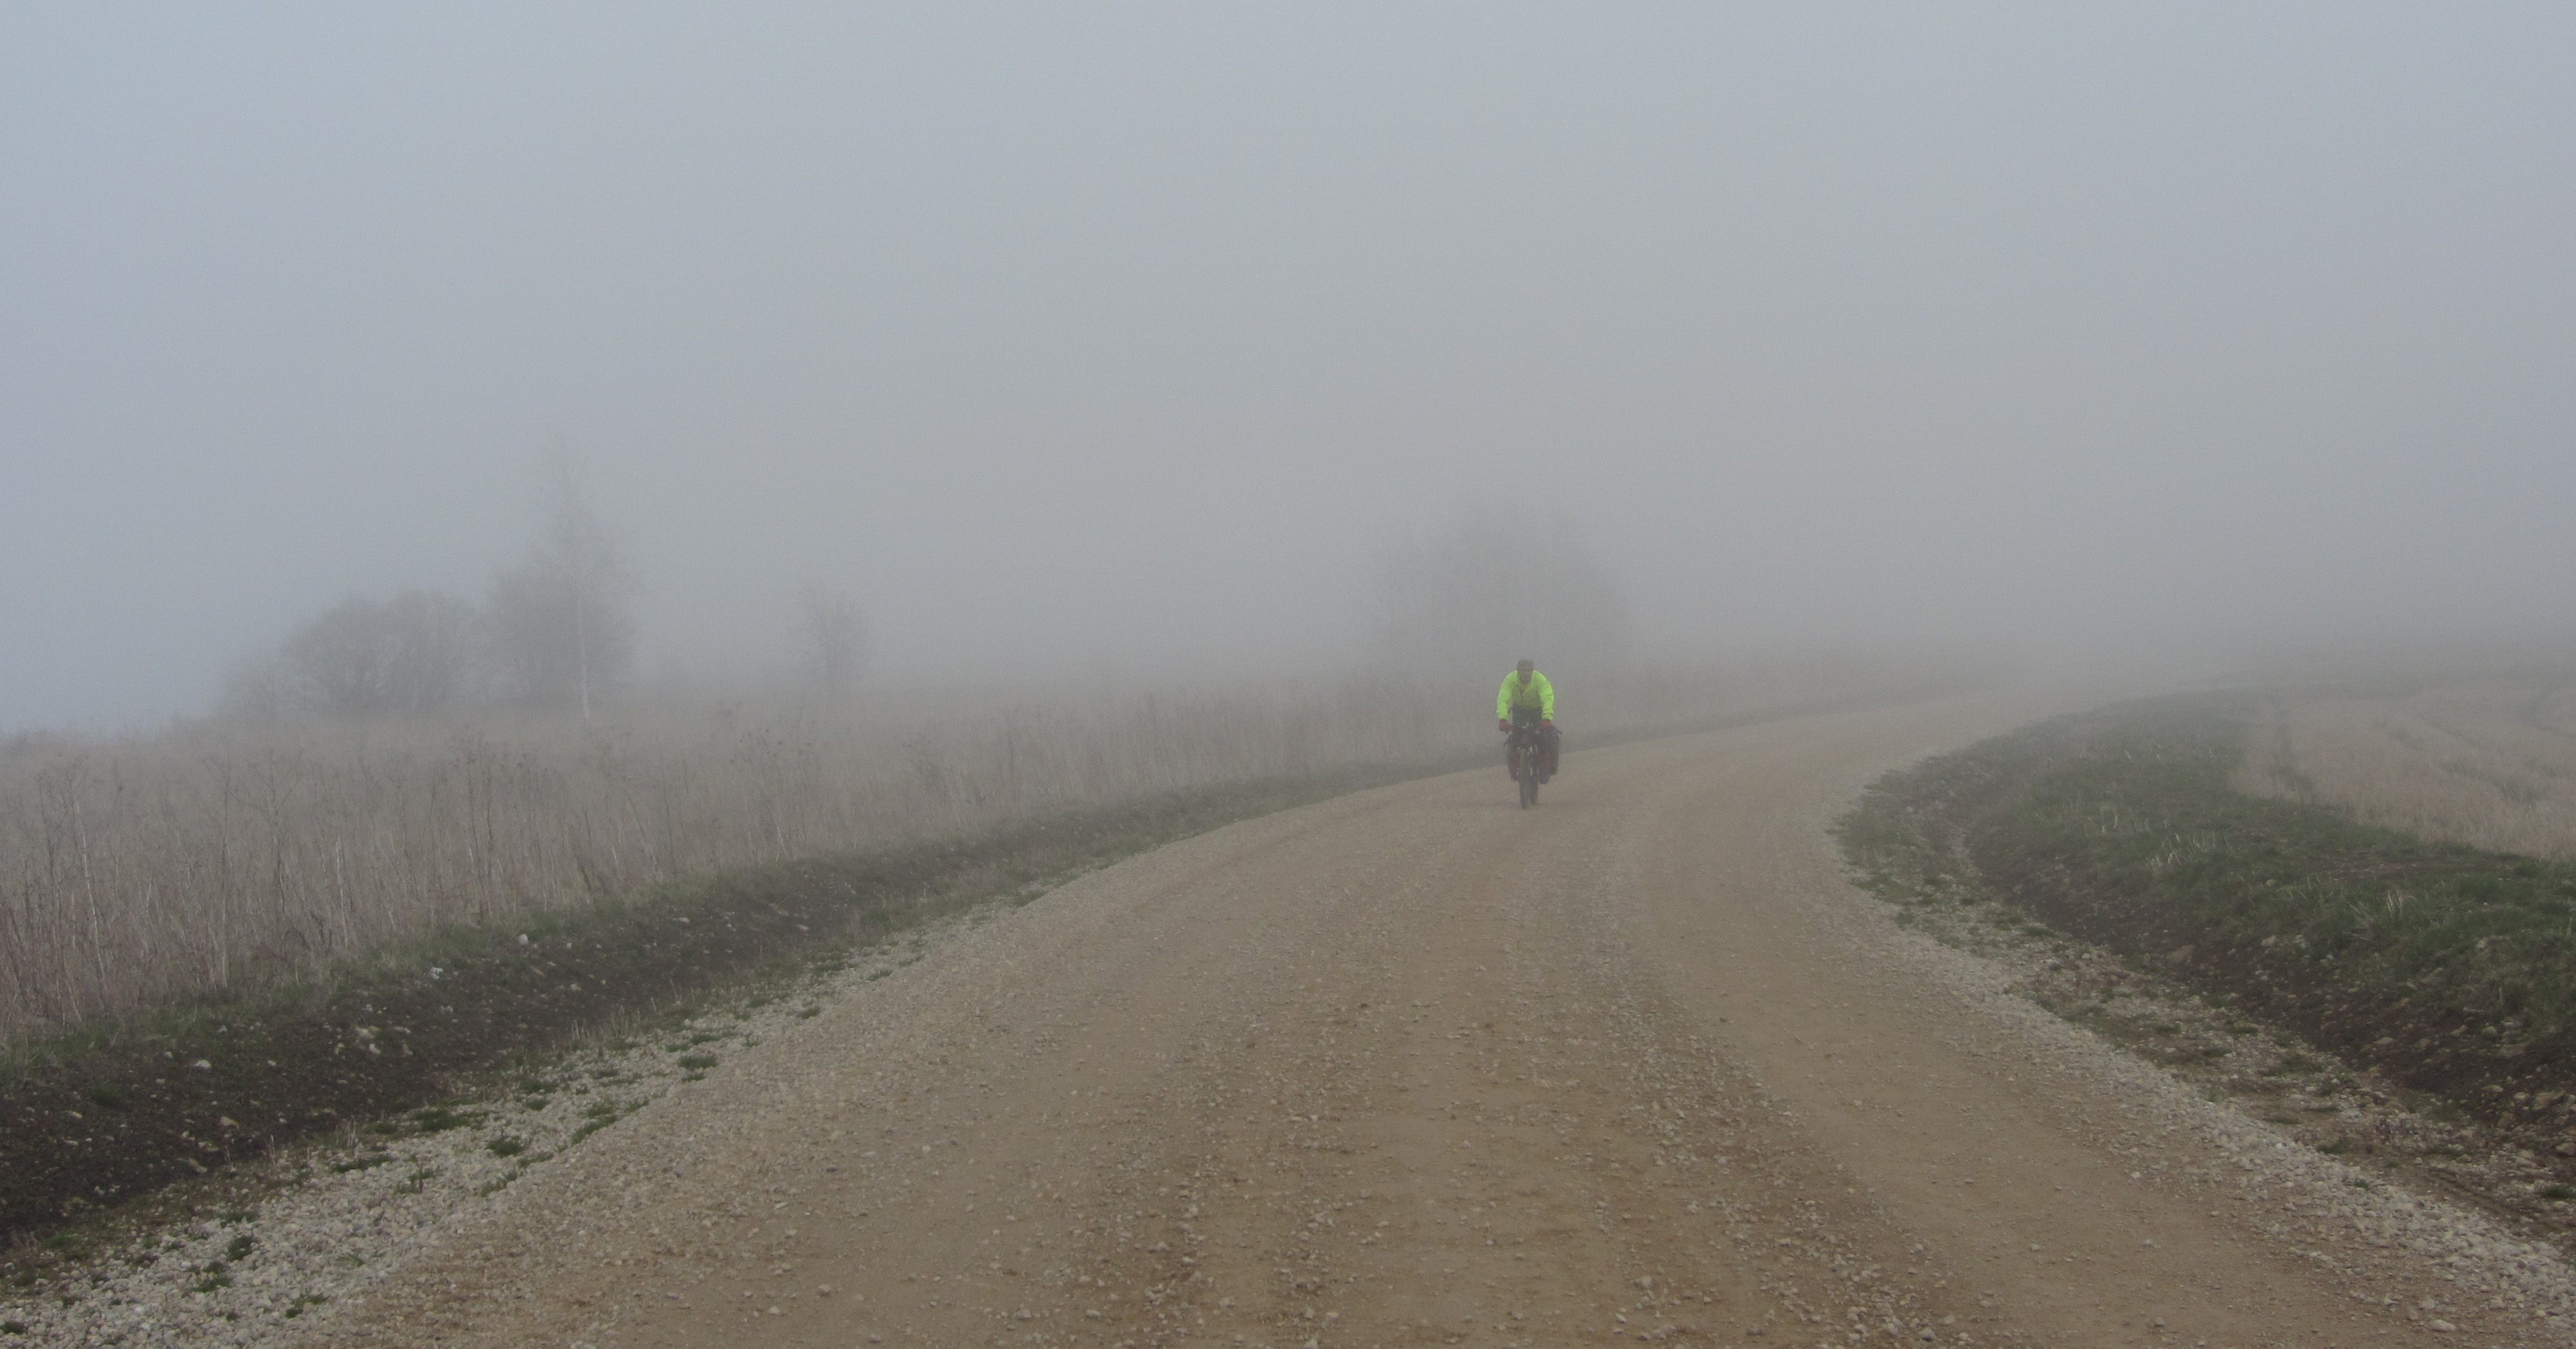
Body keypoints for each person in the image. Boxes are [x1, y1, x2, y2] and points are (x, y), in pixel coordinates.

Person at [1496, 659, 1559, 781]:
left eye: (1529, 670)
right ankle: (1514, 768)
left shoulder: (1540, 680)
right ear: (1518, 671)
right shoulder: (1510, 680)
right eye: (1523, 670)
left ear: (1533, 671)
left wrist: (1547, 718)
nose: (1526, 673)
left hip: (1537, 710)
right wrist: (1503, 719)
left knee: (1542, 738)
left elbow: (1547, 698)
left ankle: (1544, 768)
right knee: (1514, 739)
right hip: (1520, 710)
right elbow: (1503, 699)